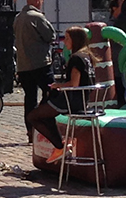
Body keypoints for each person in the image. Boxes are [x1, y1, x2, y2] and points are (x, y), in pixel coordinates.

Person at [23, 26, 93, 165]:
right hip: (83, 100)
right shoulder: (87, 57)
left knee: (32, 116)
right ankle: (60, 145)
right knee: (45, 113)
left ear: (75, 40)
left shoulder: (76, 58)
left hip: (72, 100)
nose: (65, 41)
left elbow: (74, 84)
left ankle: (60, 146)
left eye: (67, 38)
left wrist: (57, 86)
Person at [12, 0, 57, 128]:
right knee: (52, 92)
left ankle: (31, 129)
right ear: (38, 1)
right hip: (40, 63)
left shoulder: (18, 18)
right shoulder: (37, 17)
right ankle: (44, 120)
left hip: (23, 65)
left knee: (30, 98)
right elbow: (50, 36)